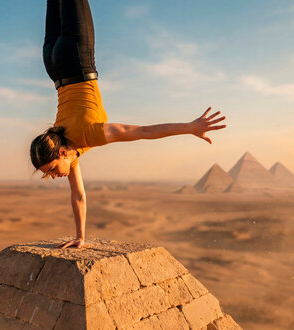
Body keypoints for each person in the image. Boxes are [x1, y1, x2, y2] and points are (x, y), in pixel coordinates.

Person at [30, 0, 226, 249]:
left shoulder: (89, 135)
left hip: (75, 56)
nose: (54, 176)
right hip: (52, 62)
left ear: (61, 153)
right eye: (50, 173)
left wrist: (190, 126)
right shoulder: (70, 147)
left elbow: (143, 132)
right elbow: (78, 195)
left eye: (52, 169)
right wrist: (80, 237)